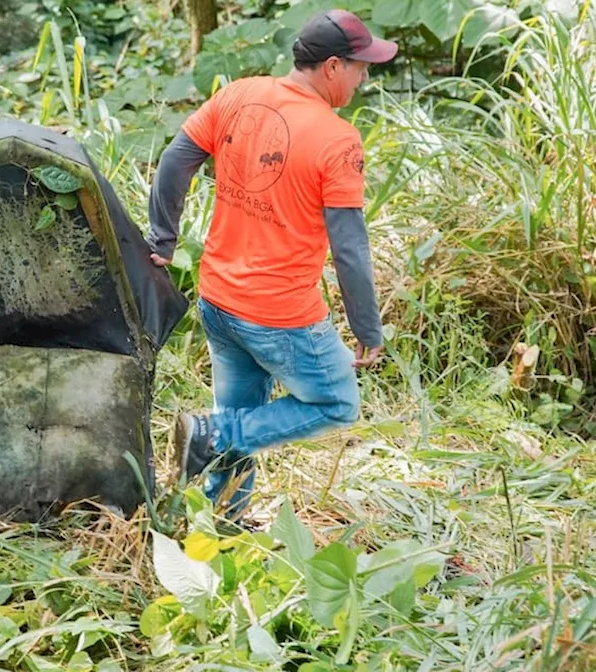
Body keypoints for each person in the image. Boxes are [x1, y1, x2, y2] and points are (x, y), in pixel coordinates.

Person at [148, 9, 393, 520]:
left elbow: (175, 160)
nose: (363, 76)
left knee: (240, 414)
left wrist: (164, 241)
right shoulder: (336, 139)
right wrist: (368, 330)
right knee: (336, 403)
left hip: (218, 298)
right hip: (279, 314)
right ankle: (217, 438)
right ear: (331, 67)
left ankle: (222, 522)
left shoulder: (240, 94)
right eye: (359, 66)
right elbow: (350, 248)